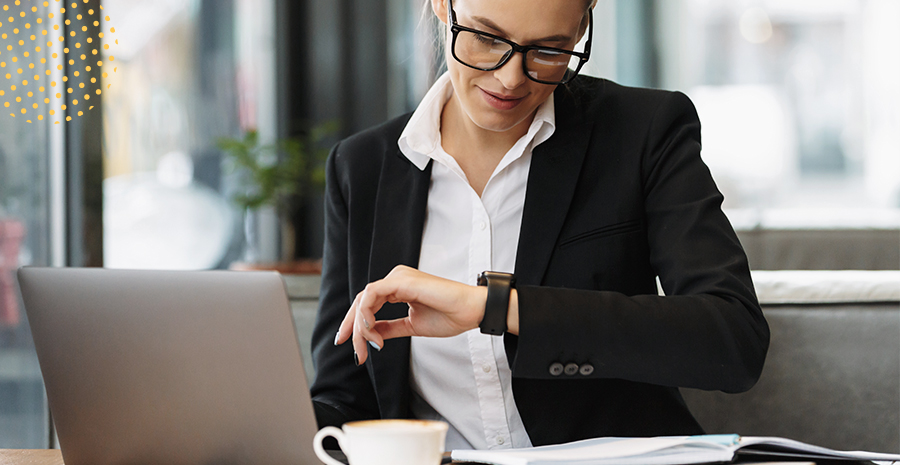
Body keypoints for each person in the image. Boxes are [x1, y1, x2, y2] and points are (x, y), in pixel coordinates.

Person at [309, 0, 770, 450]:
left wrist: (497, 307)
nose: (511, 79)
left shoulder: (643, 132)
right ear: (443, 7)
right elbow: (344, 396)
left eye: (549, 50)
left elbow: (732, 341)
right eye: (487, 38)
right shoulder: (362, 168)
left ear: (583, 23)